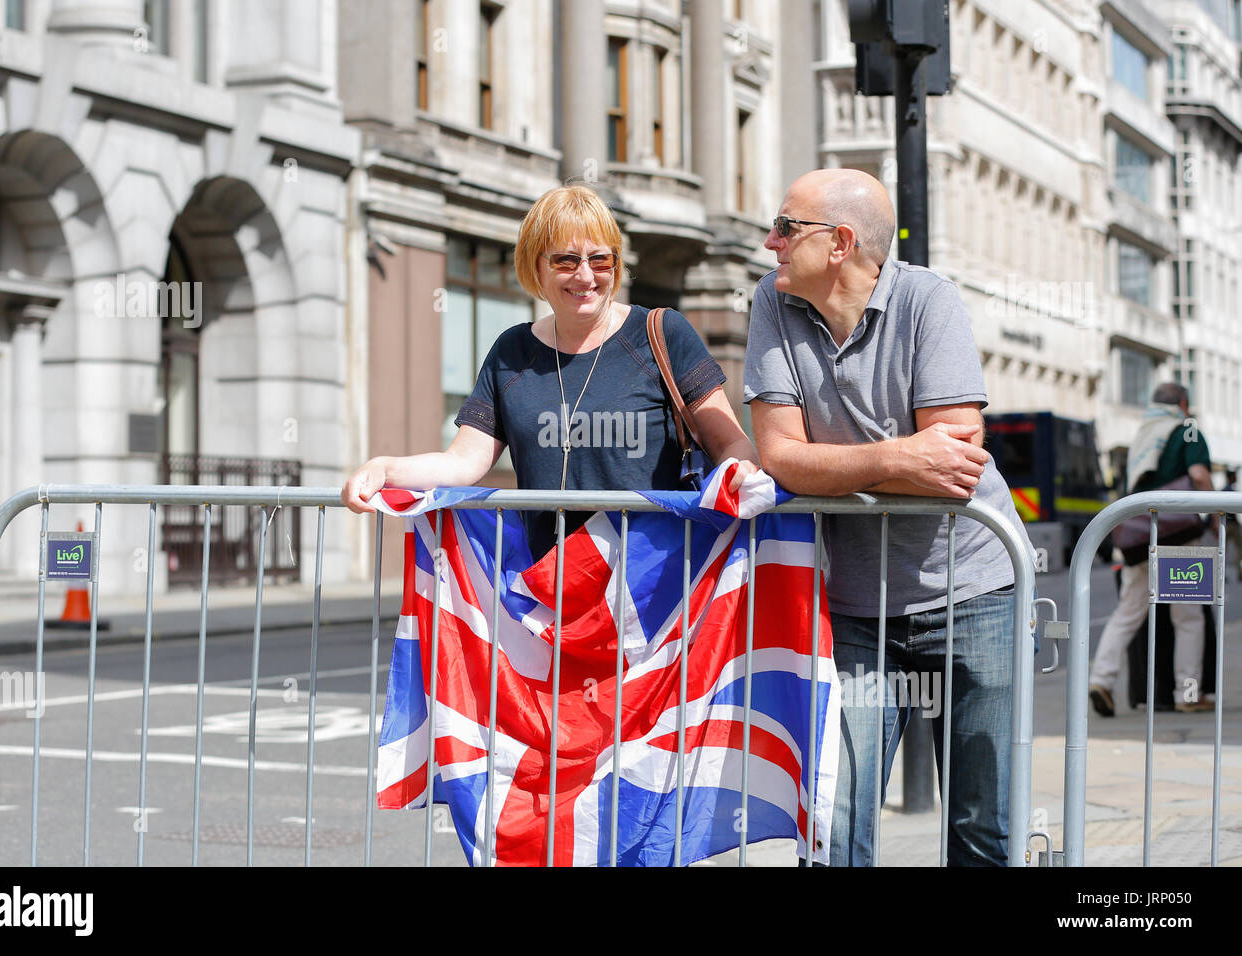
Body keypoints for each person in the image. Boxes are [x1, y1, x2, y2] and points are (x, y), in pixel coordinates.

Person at [743, 168, 1030, 867]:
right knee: (835, 824)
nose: (770, 242)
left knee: (981, 827)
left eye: (786, 227)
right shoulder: (773, 303)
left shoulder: (929, 299)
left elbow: (955, 467)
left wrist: (832, 464)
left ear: (839, 242)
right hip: (854, 608)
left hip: (976, 594)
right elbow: (779, 456)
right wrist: (902, 454)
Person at [341, 184, 759, 555]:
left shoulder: (663, 333)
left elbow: (732, 445)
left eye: (600, 260)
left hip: (655, 594)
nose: (585, 276)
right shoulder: (513, 350)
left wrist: (739, 473)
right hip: (551, 594)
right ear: (536, 267)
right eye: (565, 260)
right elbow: (463, 462)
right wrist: (385, 468)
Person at [1088, 382, 1215, 716]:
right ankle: (1187, 694)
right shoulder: (1186, 430)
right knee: (1188, 618)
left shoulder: (1143, 434)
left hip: (1140, 536)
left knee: (1127, 613)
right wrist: (1216, 512)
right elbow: (1199, 474)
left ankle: (1101, 679)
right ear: (1184, 404)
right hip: (1180, 536)